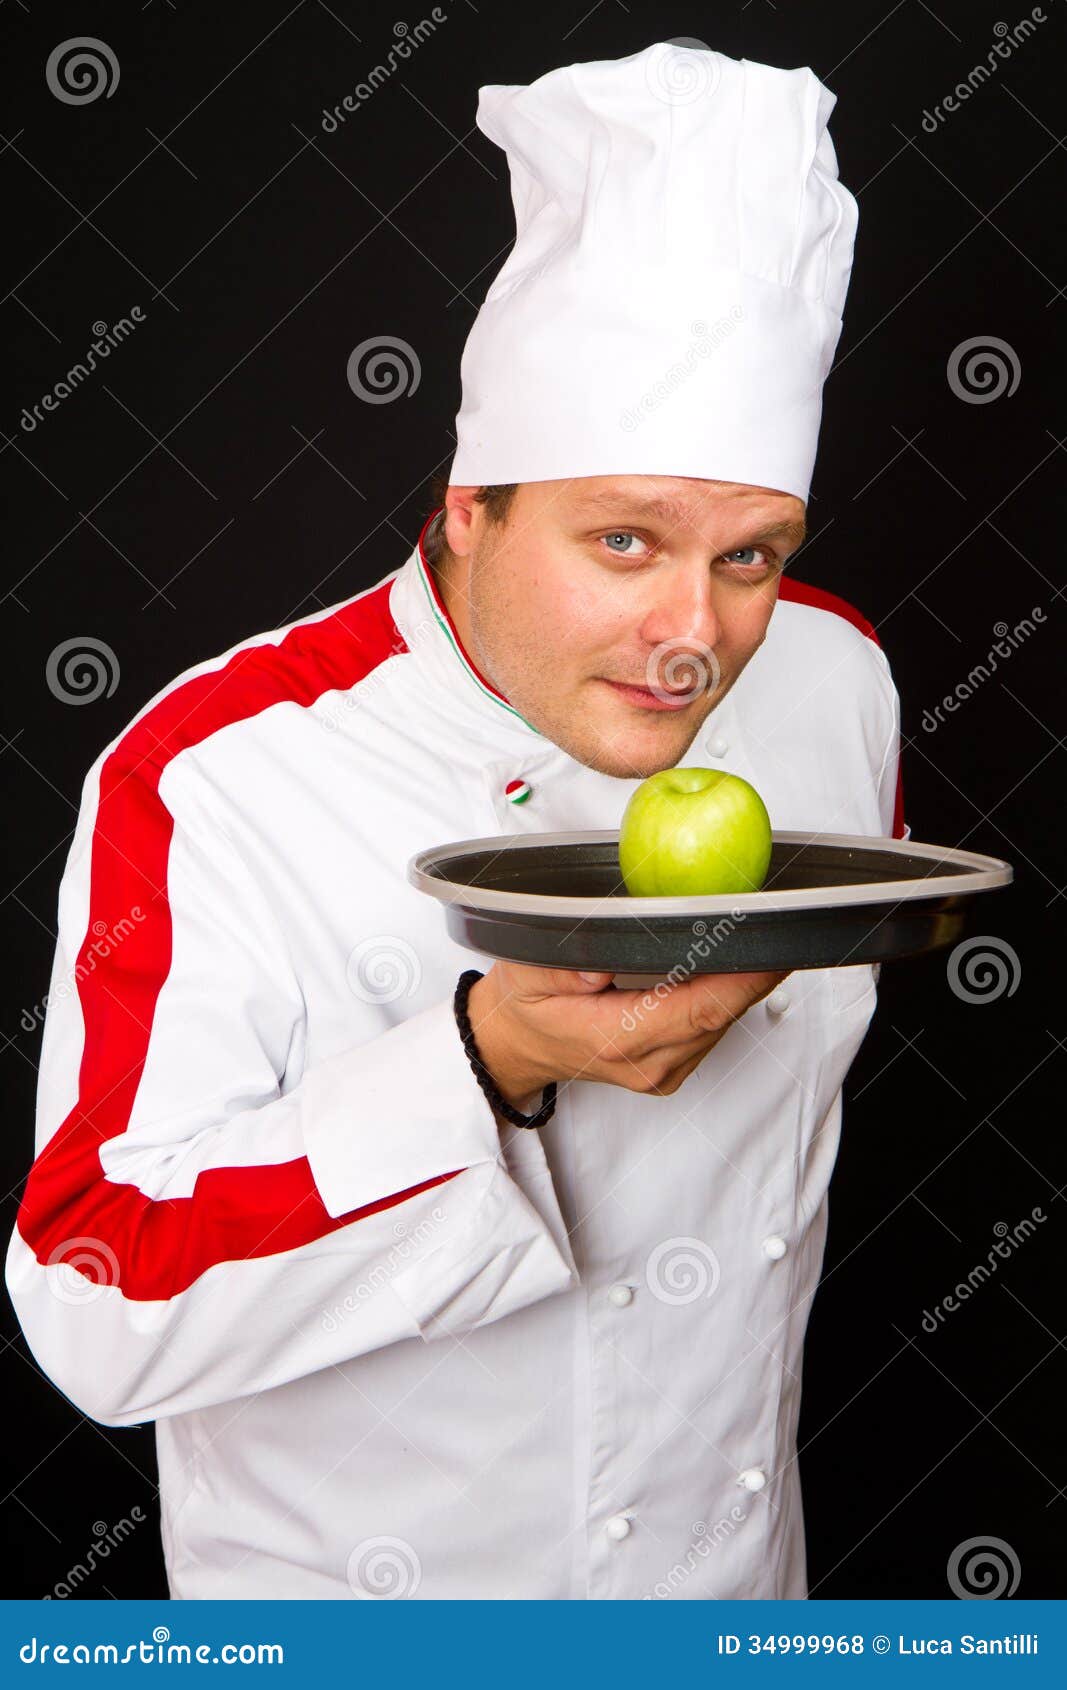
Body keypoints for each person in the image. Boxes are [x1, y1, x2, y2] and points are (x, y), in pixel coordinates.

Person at [7, 41, 907, 1599]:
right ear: (468, 504)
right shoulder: (220, 771)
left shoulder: (837, 682)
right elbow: (96, 1293)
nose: (691, 630)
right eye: (623, 539)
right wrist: (488, 1063)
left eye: (751, 554)